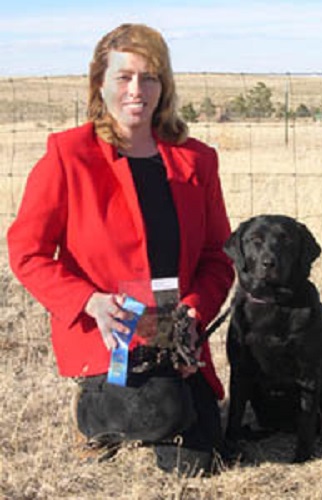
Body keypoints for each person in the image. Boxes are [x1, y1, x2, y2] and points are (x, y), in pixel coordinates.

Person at [7, 23, 234, 476]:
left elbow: (217, 255)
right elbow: (27, 253)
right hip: (110, 337)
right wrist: (89, 303)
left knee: (198, 461)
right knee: (145, 414)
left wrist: (194, 310)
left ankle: (156, 404)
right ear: (100, 85)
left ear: (164, 86)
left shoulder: (197, 160)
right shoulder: (68, 156)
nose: (137, 90)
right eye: (124, 77)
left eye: (149, 77)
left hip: (177, 338)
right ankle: (96, 414)